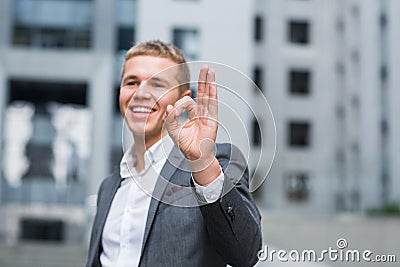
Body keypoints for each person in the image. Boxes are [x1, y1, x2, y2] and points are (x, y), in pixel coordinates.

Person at [86, 40, 262, 267]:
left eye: (157, 85)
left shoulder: (216, 163)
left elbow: (246, 254)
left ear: (182, 99)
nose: (140, 93)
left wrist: (203, 163)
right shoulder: (109, 187)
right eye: (131, 82)